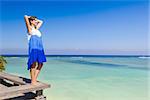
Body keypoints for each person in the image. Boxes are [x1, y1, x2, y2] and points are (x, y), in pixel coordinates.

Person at [24, 15, 46, 85]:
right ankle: (33, 81)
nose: (37, 21)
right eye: (35, 20)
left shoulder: (36, 29)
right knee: (33, 63)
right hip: (33, 47)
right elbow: (25, 17)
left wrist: (35, 20)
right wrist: (30, 17)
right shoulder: (29, 28)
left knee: (41, 63)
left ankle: (34, 79)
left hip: (40, 47)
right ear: (31, 21)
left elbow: (41, 21)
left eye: (36, 20)